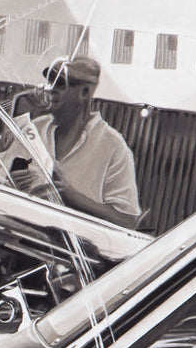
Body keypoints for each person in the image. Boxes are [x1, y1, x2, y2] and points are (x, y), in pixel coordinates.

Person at [12, 56, 141, 229]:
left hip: (73, 251)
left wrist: (71, 196)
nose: (51, 90)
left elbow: (128, 221)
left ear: (85, 93)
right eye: (50, 82)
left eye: (61, 84)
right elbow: (4, 175)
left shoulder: (113, 146)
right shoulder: (35, 128)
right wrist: (11, 181)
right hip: (23, 238)